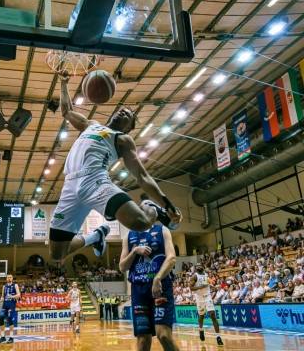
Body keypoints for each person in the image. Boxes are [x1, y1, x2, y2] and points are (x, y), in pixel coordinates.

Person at [49, 73, 182, 262]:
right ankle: (95, 237)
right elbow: (67, 111)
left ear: (128, 128)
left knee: (141, 222)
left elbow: (142, 176)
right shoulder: (91, 125)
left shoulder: (123, 139)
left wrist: (166, 204)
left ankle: (151, 207)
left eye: (128, 115)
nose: (123, 112)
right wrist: (63, 83)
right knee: (57, 255)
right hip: (70, 185)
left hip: (95, 181)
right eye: (122, 110)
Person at [119, 218, 178, 351]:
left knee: (164, 335)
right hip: (139, 290)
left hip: (161, 286)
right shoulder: (128, 236)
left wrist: (157, 278)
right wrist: (134, 251)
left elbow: (172, 258)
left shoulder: (163, 230)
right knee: (143, 340)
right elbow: (122, 267)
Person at [189, 264, 223, 346]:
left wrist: (212, 286)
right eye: (197, 266)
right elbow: (191, 288)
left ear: (203, 267)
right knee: (201, 316)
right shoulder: (194, 276)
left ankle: (218, 337)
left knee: (213, 315)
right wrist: (201, 287)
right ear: (196, 268)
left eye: (200, 266)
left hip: (207, 296)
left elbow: (206, 284)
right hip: (199, 298)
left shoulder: (206, 275)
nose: (199, 267)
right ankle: (201, 330)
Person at [0, 274, 20, 344]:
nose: (9, 278)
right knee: (1, 318)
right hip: (5, 304)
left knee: (9, 319)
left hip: (11, 304)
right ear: (6, 279)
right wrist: (1, 299)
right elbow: (2, 296)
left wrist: (12, 296)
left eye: (10, 277)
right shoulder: (4, 286)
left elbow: (19, 295)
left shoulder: (15, 285)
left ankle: (11, 337)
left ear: (12, 278)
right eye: (8, 277)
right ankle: (2, 337)